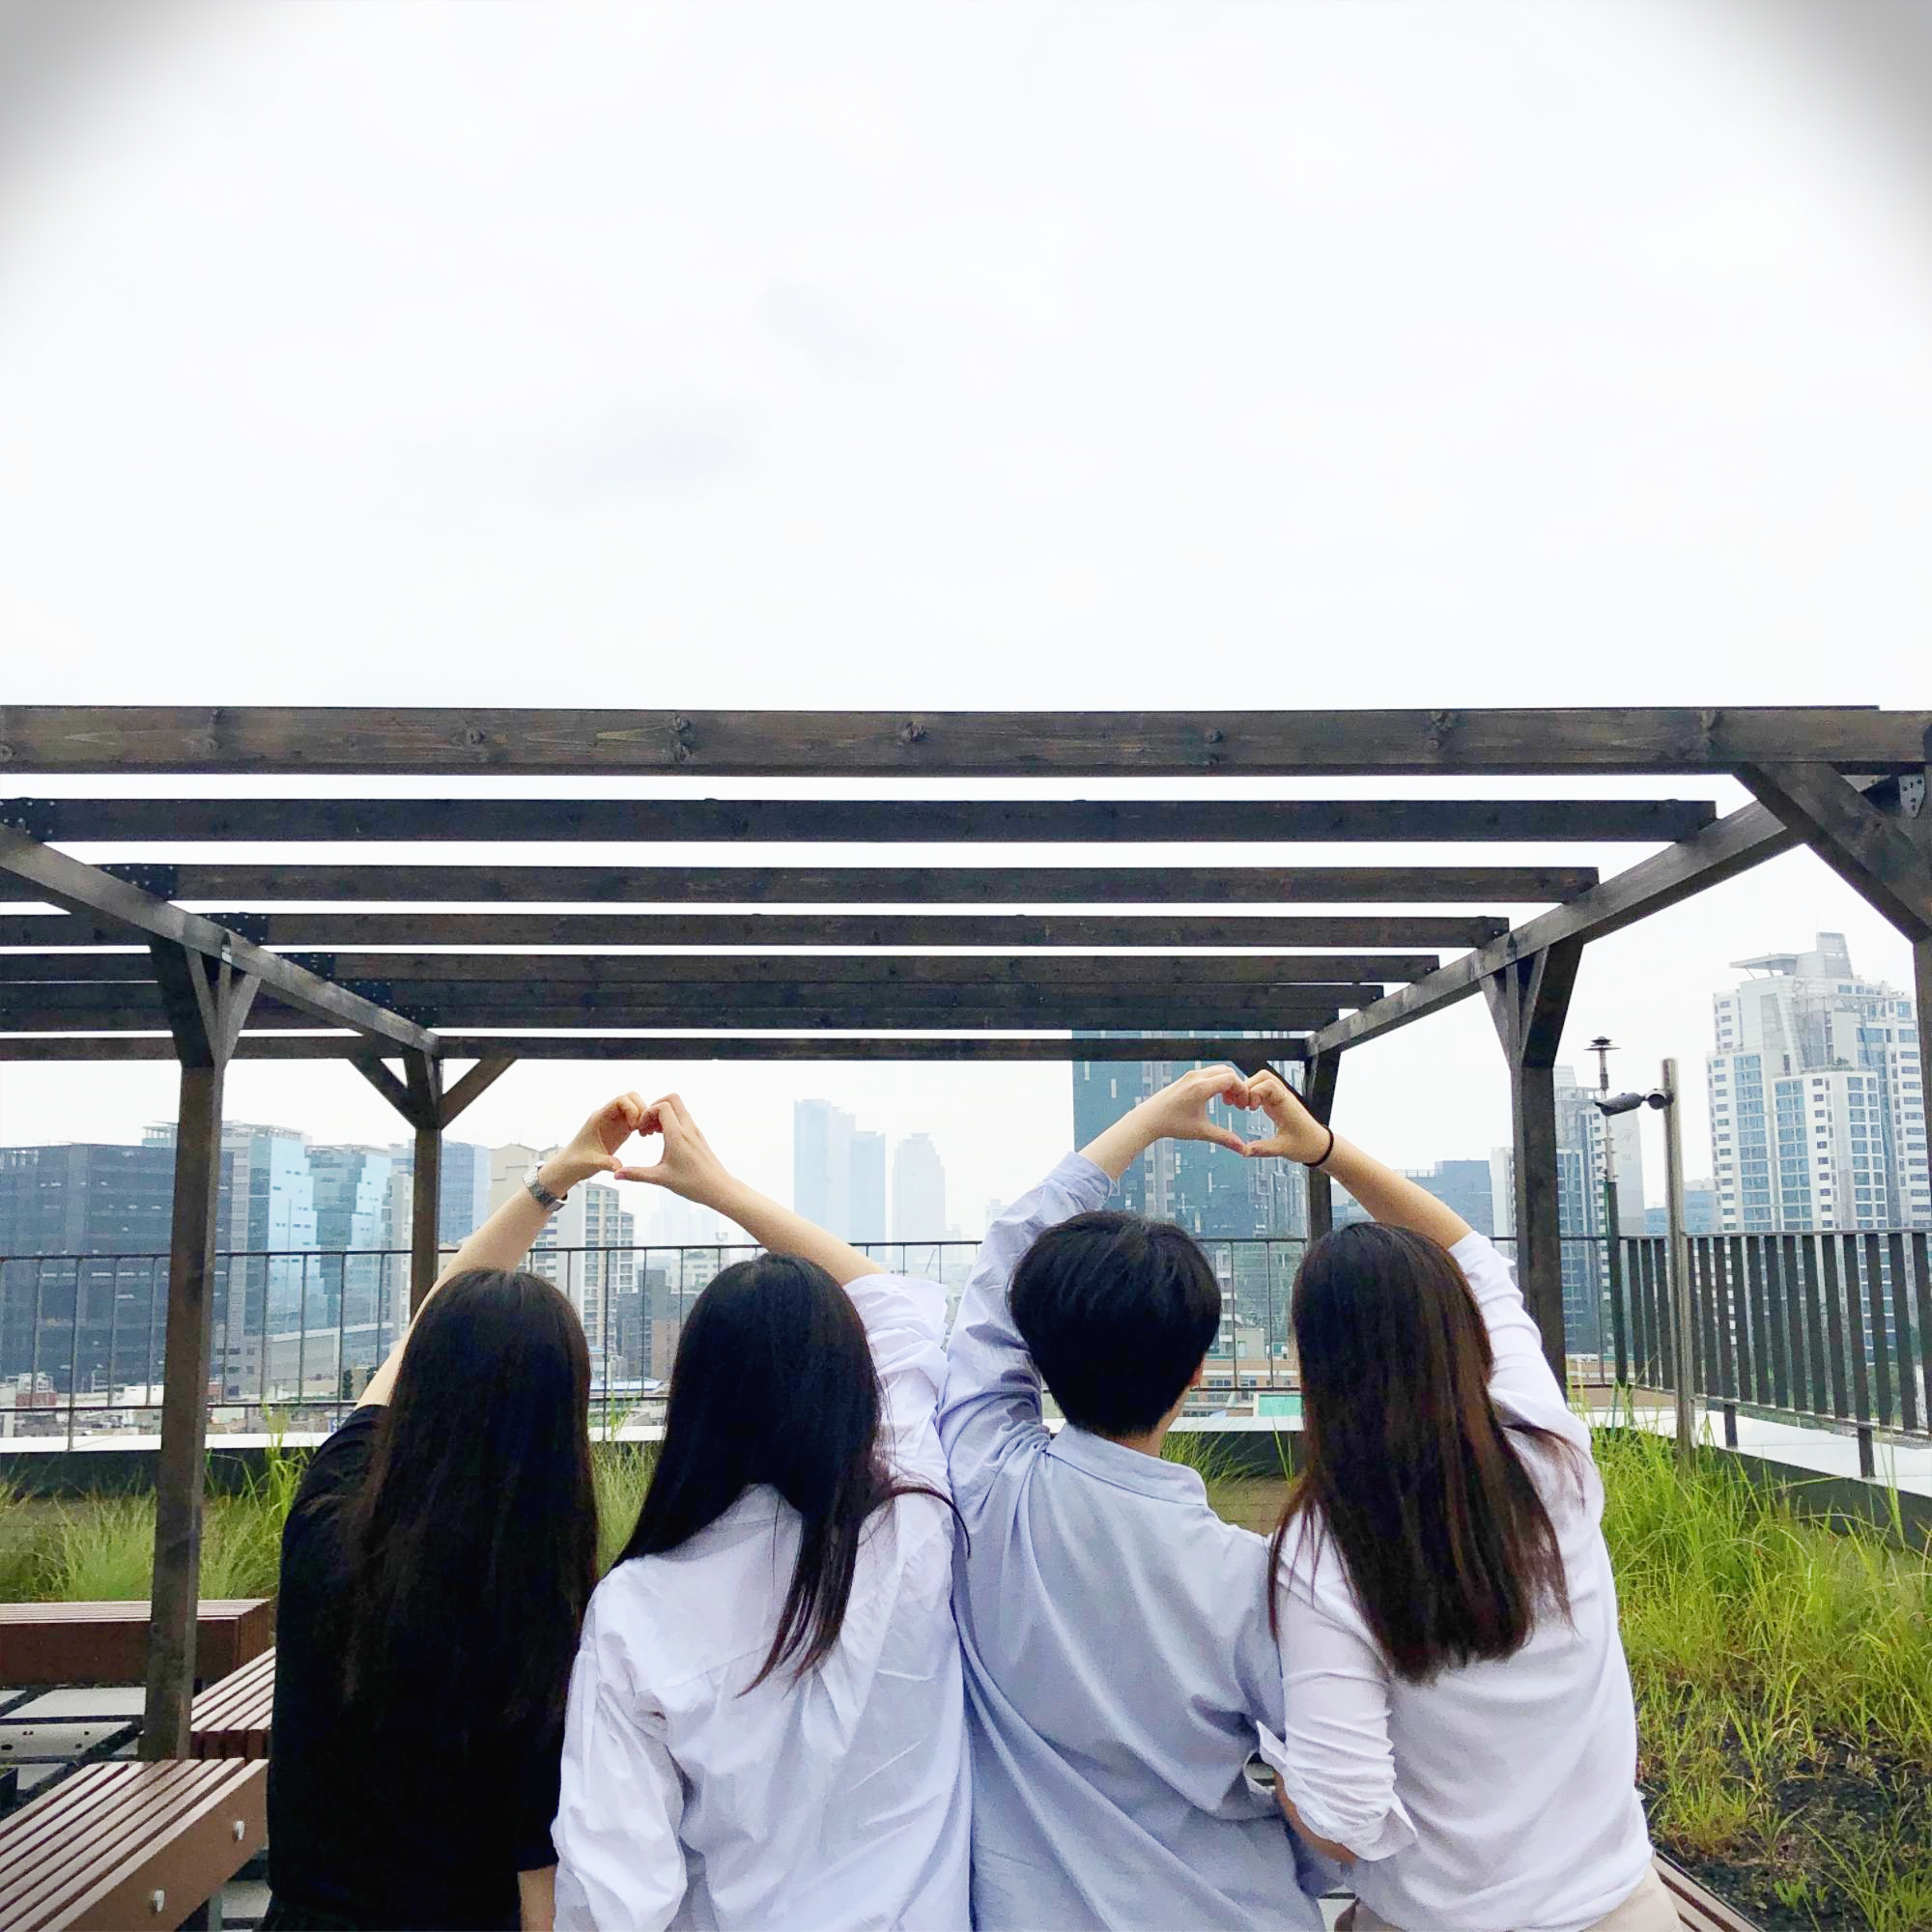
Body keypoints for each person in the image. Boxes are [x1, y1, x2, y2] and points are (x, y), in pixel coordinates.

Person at [1241, 1067, 1673, 1932]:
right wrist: (1325, 1150)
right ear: (1460, 1331)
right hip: (1624, 1907)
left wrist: (1272, 1768)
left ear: (1317, 1367)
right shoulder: (1549, 1452)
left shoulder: (1328, 1546)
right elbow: (1476, 1258)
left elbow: (1343, 1817)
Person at [551, 1094, 970, 1932]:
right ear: (852, 1386)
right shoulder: (916, 1521)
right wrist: (719, 1188)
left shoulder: (636, 1610)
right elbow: (896, 1309)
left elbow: (611, 1904)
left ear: (695, 1400)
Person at [938, 1065, 1324, 1932]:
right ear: (1196, 1376)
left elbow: (998, 1276)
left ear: (1040, 1359)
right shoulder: (1255, 1581)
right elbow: (1338, 1800)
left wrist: (1144, 1123)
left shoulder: (986, 1492)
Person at [265, 1093, 653, 1932]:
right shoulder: (542, 1626)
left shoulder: (329, 1520)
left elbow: (425, 1328)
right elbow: (540, 1886)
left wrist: (551, 1180)